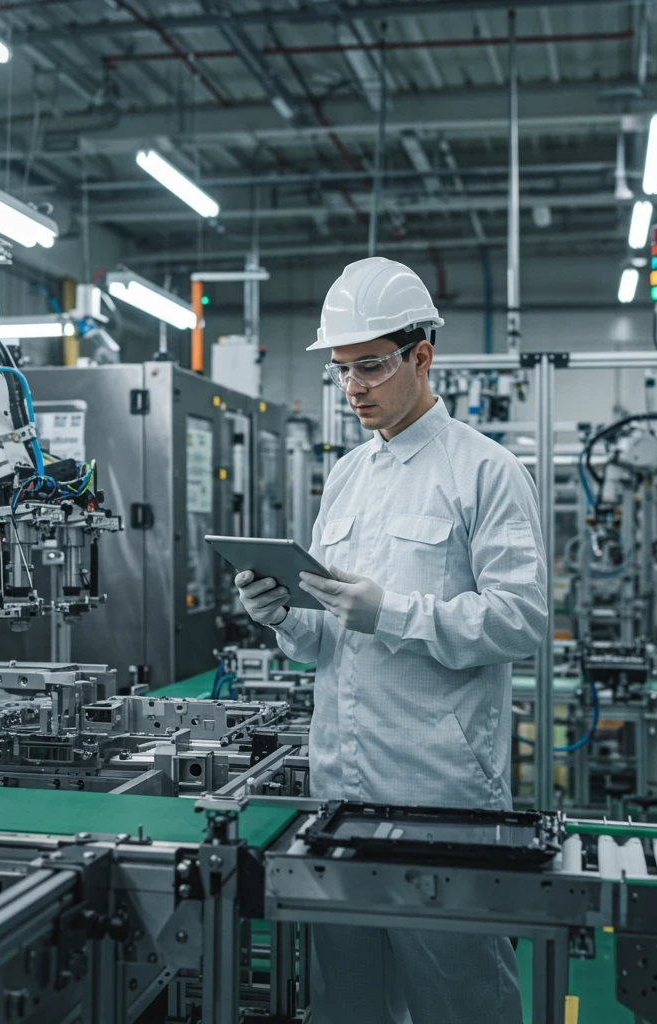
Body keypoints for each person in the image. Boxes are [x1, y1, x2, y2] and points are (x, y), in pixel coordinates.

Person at [234, 256, 548, 1024]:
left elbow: (523, 621)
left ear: (422, 355)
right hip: (339, 786)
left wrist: (395, 613)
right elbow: (324, 640)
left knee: (458, 994)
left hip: (439, 793)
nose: (354, 389)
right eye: (342, 371)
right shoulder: (344, 478)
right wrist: (279, 614)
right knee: (347, 999)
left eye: (371, 366)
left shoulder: (486, 471)